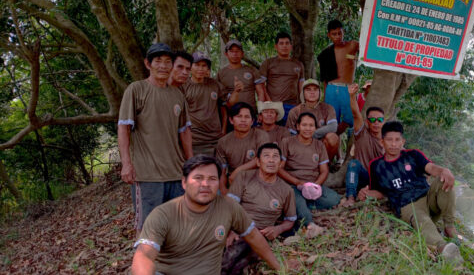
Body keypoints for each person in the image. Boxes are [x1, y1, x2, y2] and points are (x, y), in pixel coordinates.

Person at [130, 154, 281, 275]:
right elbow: (144, 257)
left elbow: (253, 236)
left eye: (212, 179)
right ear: (184, 182)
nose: (205, 184)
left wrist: (280, 268)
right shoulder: (163, 214)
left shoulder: (229, 207)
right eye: (198, 178)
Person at [358, 121, 463, 262]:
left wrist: (443, 170)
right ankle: (443, 248)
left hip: (428, 199)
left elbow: (431, 168)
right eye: (389, 140)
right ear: (382, 142)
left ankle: (449, 227)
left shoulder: (413, 155)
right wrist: (366, 194)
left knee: (442, 180)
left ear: (403, 141)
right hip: (407, 205)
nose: (394, 144)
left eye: (397, 140)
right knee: (422, 221)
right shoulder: (376, 165)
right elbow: (380, 192)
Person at [118, 43, 193, 235]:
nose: (163, 66)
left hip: (176, 173)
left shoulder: (177, 94)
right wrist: (126, 164)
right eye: (158, 61)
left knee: (177, 225)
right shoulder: (136, 90)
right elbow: (124, 128)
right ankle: (144, 265)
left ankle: (170, 265)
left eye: (168, 62)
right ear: (147, 64)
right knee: (147, 228)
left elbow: (184, 131)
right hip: (147, 175)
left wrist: (191, 164)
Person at [222, 143, 296, 275]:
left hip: (259, 236)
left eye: (275, 157)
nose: (271, 160)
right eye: (266, 156)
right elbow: (230, 206)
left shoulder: (287, 190)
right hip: (237, 229)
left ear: (280, 163)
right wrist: (231, 230)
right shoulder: (244, 177)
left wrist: (277, 229)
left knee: (236, 264)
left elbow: (290, 220)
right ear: (257, 161)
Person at [279, 112, 341, 237]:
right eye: (304, 125)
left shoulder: (319, 145)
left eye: (311, 125)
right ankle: (310, 225)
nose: (308, 129)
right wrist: (297, 182)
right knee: (295, 196)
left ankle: (300, 205)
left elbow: (324, 170)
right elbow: (279, 169)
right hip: (293, 184)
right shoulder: (287, 142)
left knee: (334, 198)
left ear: (315, 128)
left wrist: (316, 185)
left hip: (312, 184)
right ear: (297, 126)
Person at [340, 83, 385, 207]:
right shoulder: (362, 133)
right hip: (362, 176)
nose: (376, 123)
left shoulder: (389, 140)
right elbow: (355, 113)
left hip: (379, 181)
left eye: (379, 120)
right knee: (354, 163)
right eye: (372, 120)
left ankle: (372, 194)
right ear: (367, 122)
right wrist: (352, 96)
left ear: (384, 122)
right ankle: (350, 197)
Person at [317, 20, 359, 134]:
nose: (337, 37)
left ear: (343, 32)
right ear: (329, 35)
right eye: (334, 34)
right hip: (331, 89)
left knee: (349, 120)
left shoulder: (352, 45)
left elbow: (367, 49)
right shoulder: (325, 54)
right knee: (331, 122)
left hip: (346, 89)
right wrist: (325, 98)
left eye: (339, 33)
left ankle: (346, 146)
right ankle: (335, 148)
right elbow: (325, 80)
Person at [182, 51, 228, 156]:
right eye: (197, 65)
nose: (200, 69)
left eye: (204, 66)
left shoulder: (214, 84)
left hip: (216, 138)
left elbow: (224, 107)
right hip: (195, 140)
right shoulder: (184, 86)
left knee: (218, 169)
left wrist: (224, 130)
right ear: (190, 67)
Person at [217, 102, 270, 194]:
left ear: (252, 121)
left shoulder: (261, 136)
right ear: (231, 120)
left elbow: (262, 159)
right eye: (239, 116)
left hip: (257, 180)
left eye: (247, 117)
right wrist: (223, 189)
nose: (243, 120)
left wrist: (238, 171)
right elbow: (222, 170)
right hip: (232, 181)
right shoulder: (223, 142)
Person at [285, 79, 339, 161]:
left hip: (321, 144)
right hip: (302, 144)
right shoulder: (295, 111)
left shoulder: (327, 108)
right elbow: (291, 134)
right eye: (308, 90)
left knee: (333, 137)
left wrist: (312, 133)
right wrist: (305, 139)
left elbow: (333, 127)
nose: (312, 92)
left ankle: (326, 165)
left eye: (315, 89)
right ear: (303, 93)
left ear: (320, 92)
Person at [260, 32, 305, 124]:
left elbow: (301, 87)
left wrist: (302, 105)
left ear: (291, 46)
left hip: (293, 106)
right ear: (276, 46)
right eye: (281, 43)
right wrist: (268, 103)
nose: (284, 46)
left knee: (292, 134)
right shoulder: (268, 63)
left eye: (287, 43)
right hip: (273, 106)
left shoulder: (298, 64)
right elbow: (261, 85)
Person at [217, 39, 266, 110]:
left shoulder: (251, 70)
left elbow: (260, 92)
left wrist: (261, 110)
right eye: (231, 51)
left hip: (250, 114)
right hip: (231, 115)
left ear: (242, 53)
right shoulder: (221, 73)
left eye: (237, 51)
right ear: (226, 54)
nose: (235, 54)